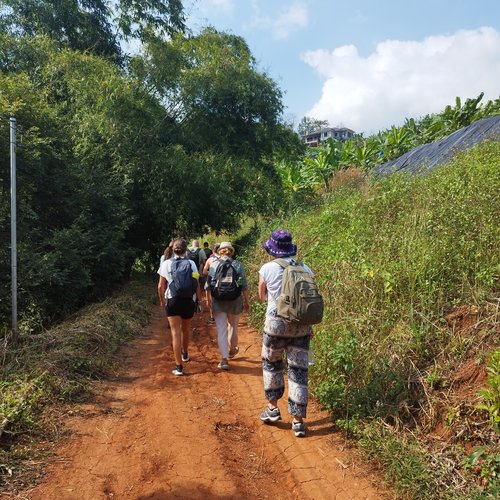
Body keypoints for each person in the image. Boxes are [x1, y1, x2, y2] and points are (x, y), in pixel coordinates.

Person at [257, 230, 314, 437]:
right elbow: (308, 300)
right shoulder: (304, 267)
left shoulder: (267, 268)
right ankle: (298, 422)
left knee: (271, 365)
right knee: (298, 371)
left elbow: (262, 296)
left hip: (275, 325)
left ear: (273, 249)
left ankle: (272, 409)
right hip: (301, 326)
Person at [158, 238, 202, 376]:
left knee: (175, 332)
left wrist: (161, 300)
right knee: (186, 329)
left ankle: (178, 367)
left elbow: (160, 285)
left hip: (172, 299)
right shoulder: (191, 263)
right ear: (185, 250)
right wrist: (199, 301)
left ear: (173, 249)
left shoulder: (166, 264)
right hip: (188, 300)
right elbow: (197, 284)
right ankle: (185, 354)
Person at [207, 242, 249, 370]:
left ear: (219, 252)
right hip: (235, 300)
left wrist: (208, 300)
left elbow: (208, 285)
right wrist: (247, 301)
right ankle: (232, 349)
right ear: (231, 252)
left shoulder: (214, 265)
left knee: (221, 330)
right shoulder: (238, 265)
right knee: (233, 327)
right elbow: (243, 285)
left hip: (218, 301)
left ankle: (224, 359)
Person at [203, 243, 220, 324]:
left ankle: (212, 317)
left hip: (213, 282)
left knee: (211, 298)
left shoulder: (210, 260)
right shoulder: (225, 259)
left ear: (213, 251)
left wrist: (211, 272)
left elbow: (204, 271)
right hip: (223, 283)